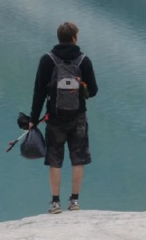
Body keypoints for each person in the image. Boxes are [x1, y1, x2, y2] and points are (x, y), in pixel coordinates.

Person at [29, 22, 98, 214]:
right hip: (78, 117)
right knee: (78, 159)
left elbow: (39, 93)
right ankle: (74, 201)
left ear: (59, 38)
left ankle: (55, 203)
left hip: (55, 117)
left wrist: (34, 118)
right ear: (75, 37)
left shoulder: (47, 60)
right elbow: (93, 91)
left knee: (55, 160)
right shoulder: (84, 61)